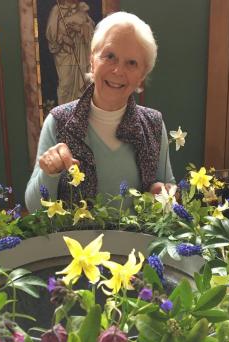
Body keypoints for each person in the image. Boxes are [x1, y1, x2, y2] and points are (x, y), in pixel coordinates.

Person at [26, 11, 175, 212]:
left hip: (136, 243)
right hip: (72, 244)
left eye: (131, 63)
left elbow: (169, 192)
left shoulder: (154, 124)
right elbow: (35, 208)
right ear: (92, 60)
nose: (118, 71)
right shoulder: (59, 121)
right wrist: (49, 174)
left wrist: (164, 194)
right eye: (110, 56)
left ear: (142, 75)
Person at [45, 0, 95, 104]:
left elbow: (91, 30)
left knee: (83, 83)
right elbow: (50, 33)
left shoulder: (82, 9)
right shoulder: (56, 10)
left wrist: (80, 29)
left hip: (81, 53)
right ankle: (64, 114)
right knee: (65, 84)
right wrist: (63, 39)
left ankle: (81, 111)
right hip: (65, 54)